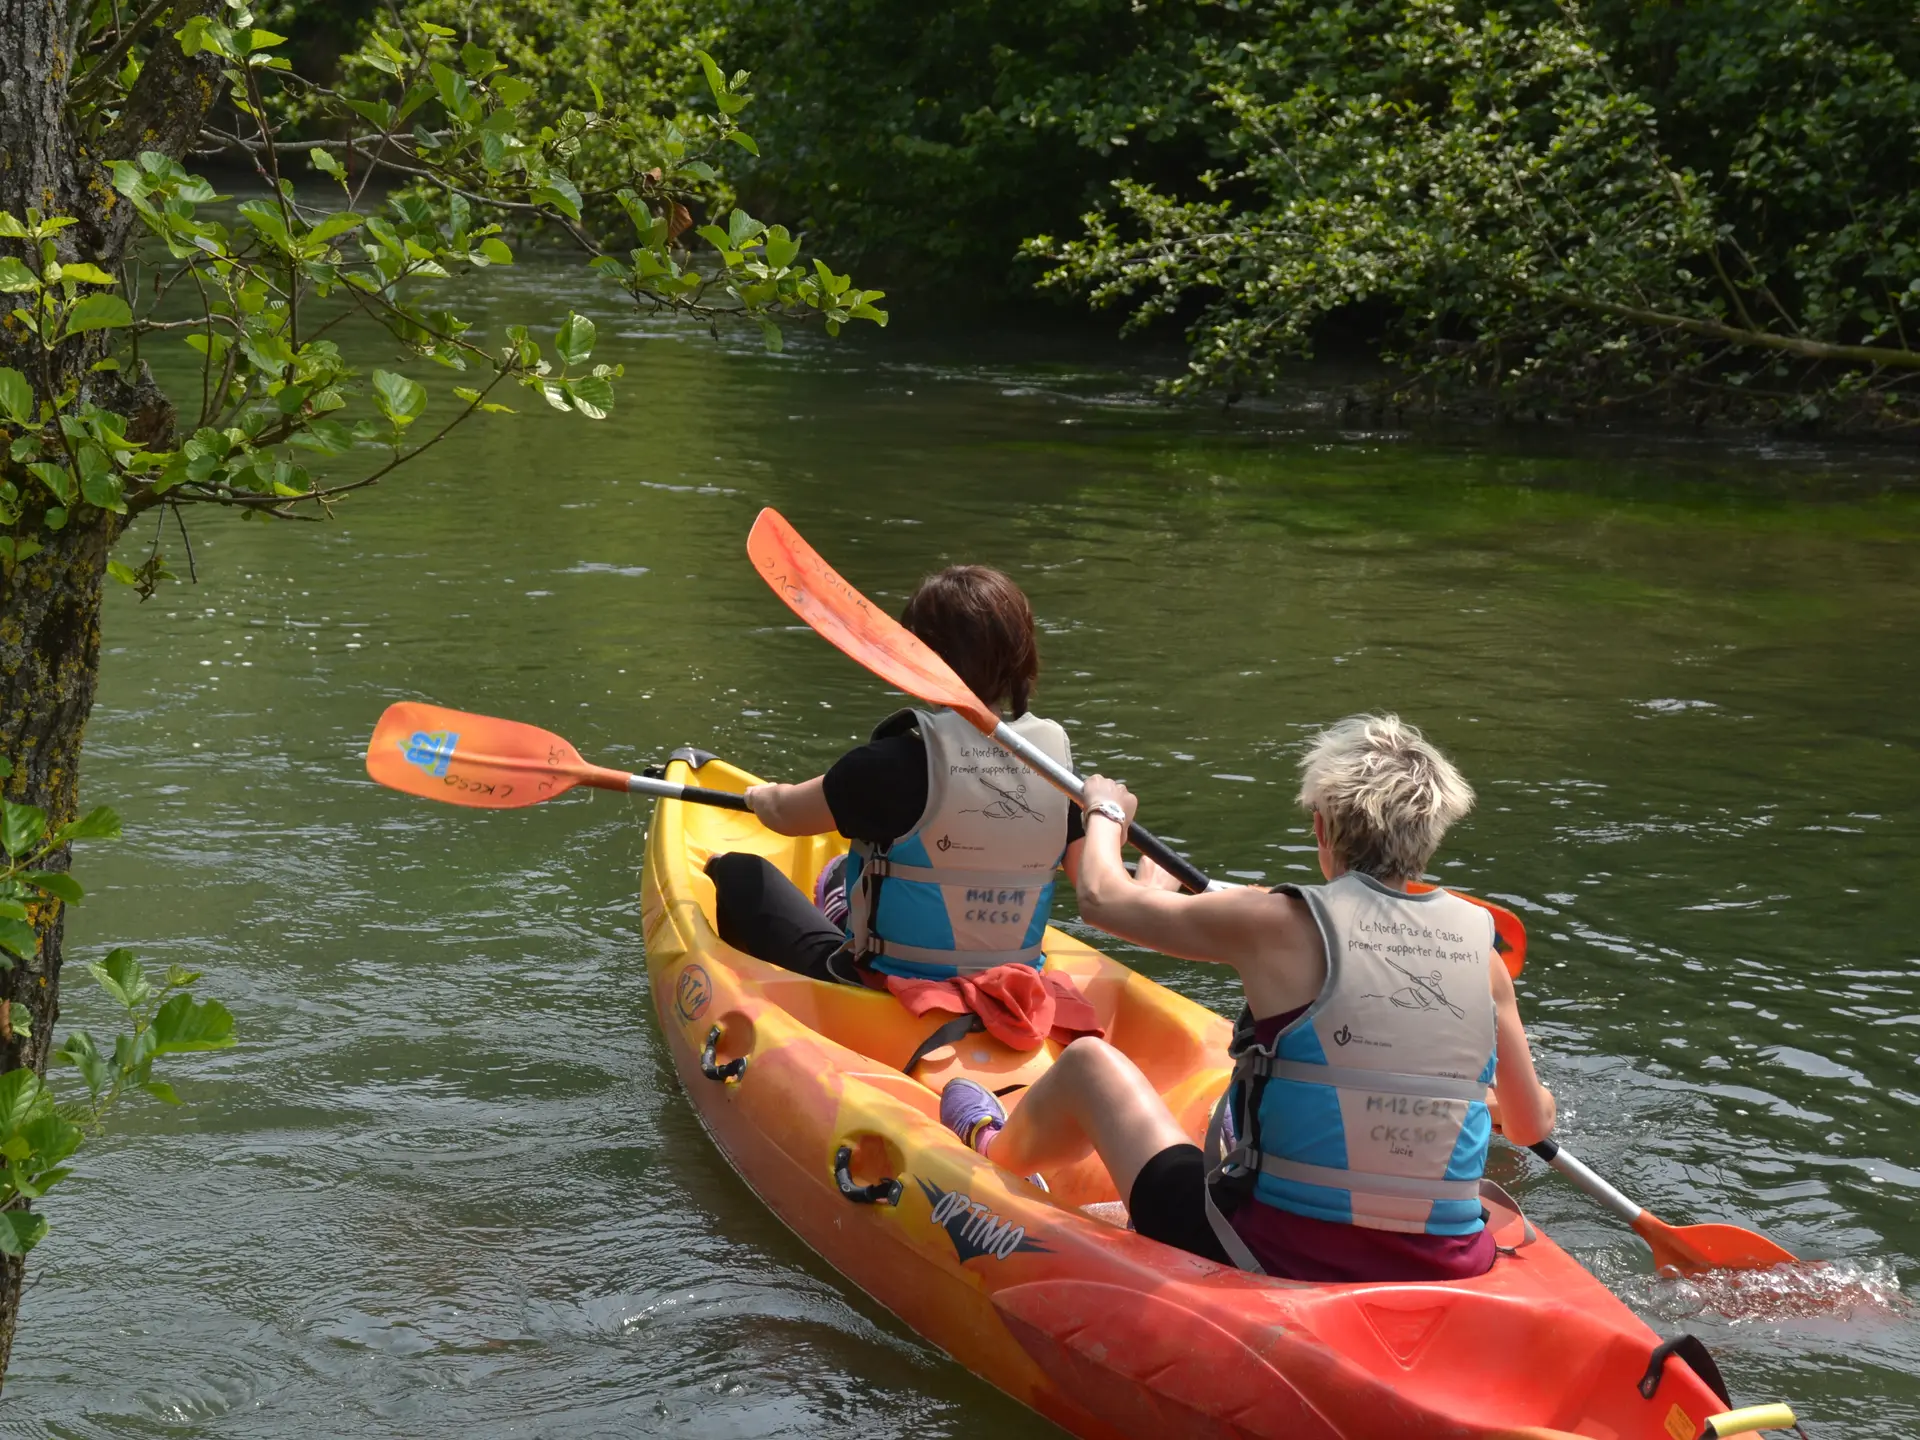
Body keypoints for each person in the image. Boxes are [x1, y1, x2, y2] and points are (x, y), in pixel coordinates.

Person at [938, 713, 1558, 1283]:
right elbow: (1531, 1125)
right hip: (1450, 1265)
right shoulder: (1481, 955)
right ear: (1429, 836)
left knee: (1090, 1066)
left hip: (1271, 1255)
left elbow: (1099, 898)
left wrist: (1103, 812)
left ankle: (996, 1154)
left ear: (1321, 826)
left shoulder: (1276, 922)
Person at [705, 564, 1084, 988]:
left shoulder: (887, 764)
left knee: (737, 871)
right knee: (839, 871)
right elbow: (1094, 887)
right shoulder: (1059, 776)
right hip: (1011, 984)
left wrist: (761, 796)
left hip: (884, 987)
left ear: (918, 656)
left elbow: (786, 816)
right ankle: (838, 902)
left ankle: (754, 996)